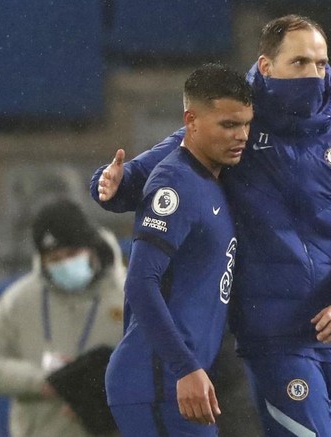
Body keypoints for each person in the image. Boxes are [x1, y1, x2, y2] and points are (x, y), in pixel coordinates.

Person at [91, 14, 331, 437]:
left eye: (321, 63)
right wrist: (111, 182)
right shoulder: (237, 123)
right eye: (300, 63)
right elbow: (162, 166)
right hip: (275, 335)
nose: (314, 74)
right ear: (266, 65)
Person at [104, 63, 253, 437]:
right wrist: (184, 368)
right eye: (228, 125)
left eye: (246, 124)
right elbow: (140, 283)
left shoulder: (213, 181)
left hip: (179, 380)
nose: (241, 136)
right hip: (157, 380)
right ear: (191, 120)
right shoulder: (175, 184)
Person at [0, 197, 126, 437]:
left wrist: (103, 397)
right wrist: (42, 382)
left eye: (73, 253)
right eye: (54, 259)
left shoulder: (128, 297)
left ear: (92, 247)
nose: (65, 264)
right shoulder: (19, 300)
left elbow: (156, 369)